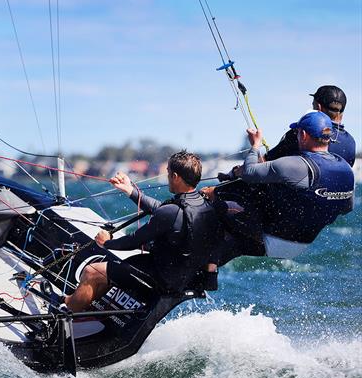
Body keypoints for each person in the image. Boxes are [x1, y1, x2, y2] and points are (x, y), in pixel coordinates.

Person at [63, 151, 221, 313]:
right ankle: (87, 305)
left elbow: (133, 241)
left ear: (175, 176)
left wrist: (107, 242)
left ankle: (66, 312)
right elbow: (162, 210)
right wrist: (130, 190)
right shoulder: (207, 208)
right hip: (184, 277)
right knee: (112, 269)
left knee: (92, 271)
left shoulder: (172, 211)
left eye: (167, 172)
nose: (167, 176)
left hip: (161, 277)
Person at [205, 111, 355, 264]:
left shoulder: (295, 165)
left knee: (210, 198)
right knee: (226, 245)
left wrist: (255, 145)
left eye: (297, 133)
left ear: (303, 135)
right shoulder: (347, 170)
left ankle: (197, 278)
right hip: (300, 246)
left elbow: (250, 172)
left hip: (270, 241)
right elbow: (346, 208)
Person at [265, 85, 355, 166]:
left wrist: (255, 146)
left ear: (318, 108)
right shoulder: (351, 142)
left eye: (313, 105)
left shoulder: (301, 133)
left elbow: (265, 161)